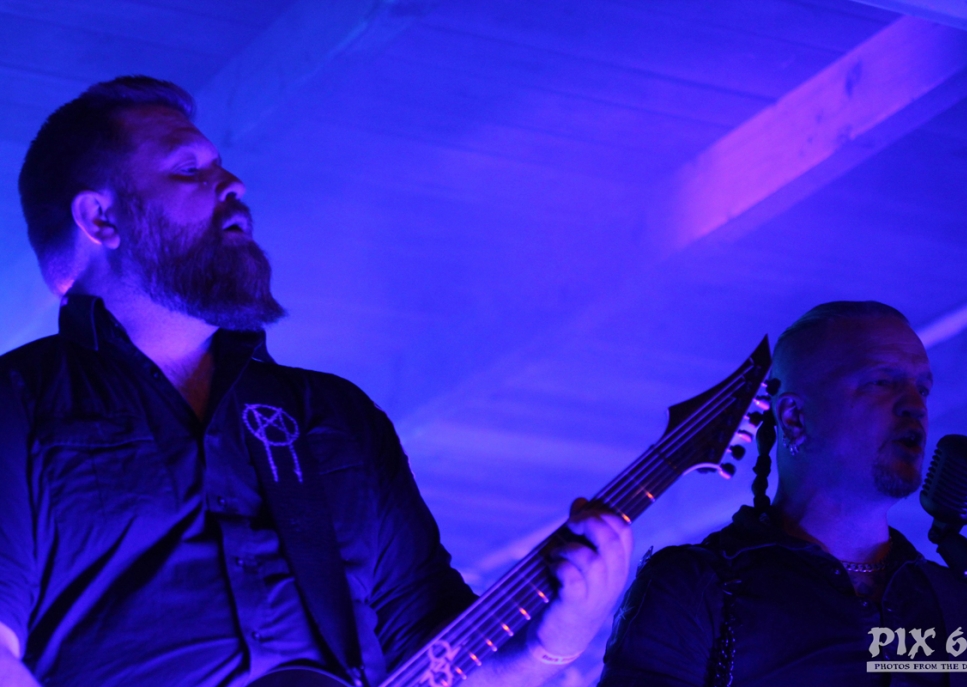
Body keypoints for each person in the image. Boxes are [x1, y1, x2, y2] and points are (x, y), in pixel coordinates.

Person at [0, 76, 632, 687]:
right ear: (100, 219)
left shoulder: (338, 418)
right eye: (188, 169)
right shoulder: (17, 403)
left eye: (219, 165)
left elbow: (441, 667)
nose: (233, 183)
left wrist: (556, 640)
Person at [598, 301, 967, 686]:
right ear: (794, 417)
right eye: (881, 381)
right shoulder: (698, 587)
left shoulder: (962, 602)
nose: (915, 405)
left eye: (923, 388)